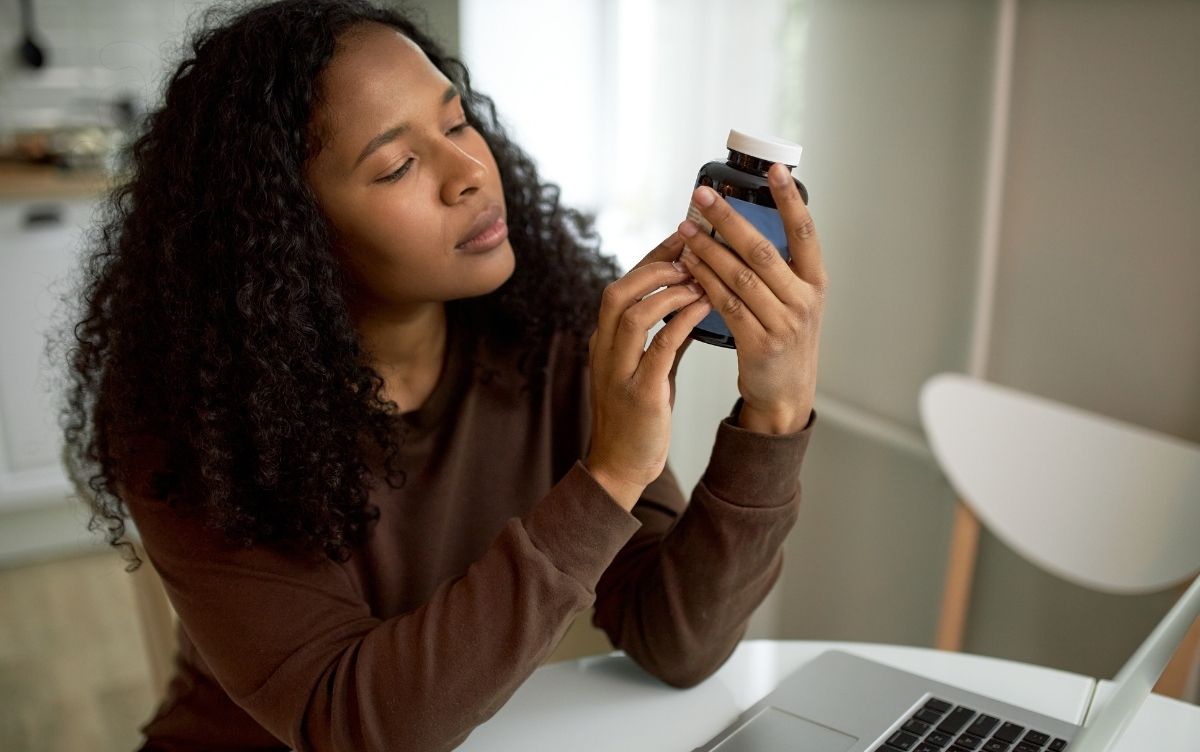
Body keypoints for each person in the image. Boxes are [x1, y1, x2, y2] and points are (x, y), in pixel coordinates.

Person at [60, 1, 827, 749]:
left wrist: (775, 412)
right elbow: (355, 725)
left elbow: (677, 641)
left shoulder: (547, 337)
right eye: (397, 165)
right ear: (286, 233)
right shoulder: (195, 429)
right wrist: (610, 474)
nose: (468, 171)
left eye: (458, 121)